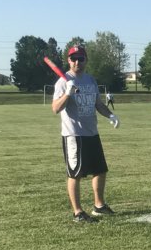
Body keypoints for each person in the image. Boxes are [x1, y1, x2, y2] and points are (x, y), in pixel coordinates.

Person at [50, 45, 120, 222]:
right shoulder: (62, 82)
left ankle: (99, 205)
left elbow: (98, 103)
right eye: (73, 58)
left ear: (85, 60)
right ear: (68, 60)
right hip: (74, 135)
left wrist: (110, 115)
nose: (77, 62)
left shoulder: (90, 80)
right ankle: (78, 212)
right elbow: (55, 109)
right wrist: (67, 93)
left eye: (80, 58)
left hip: (92, 133)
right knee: (75, 174)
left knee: (100, 170)